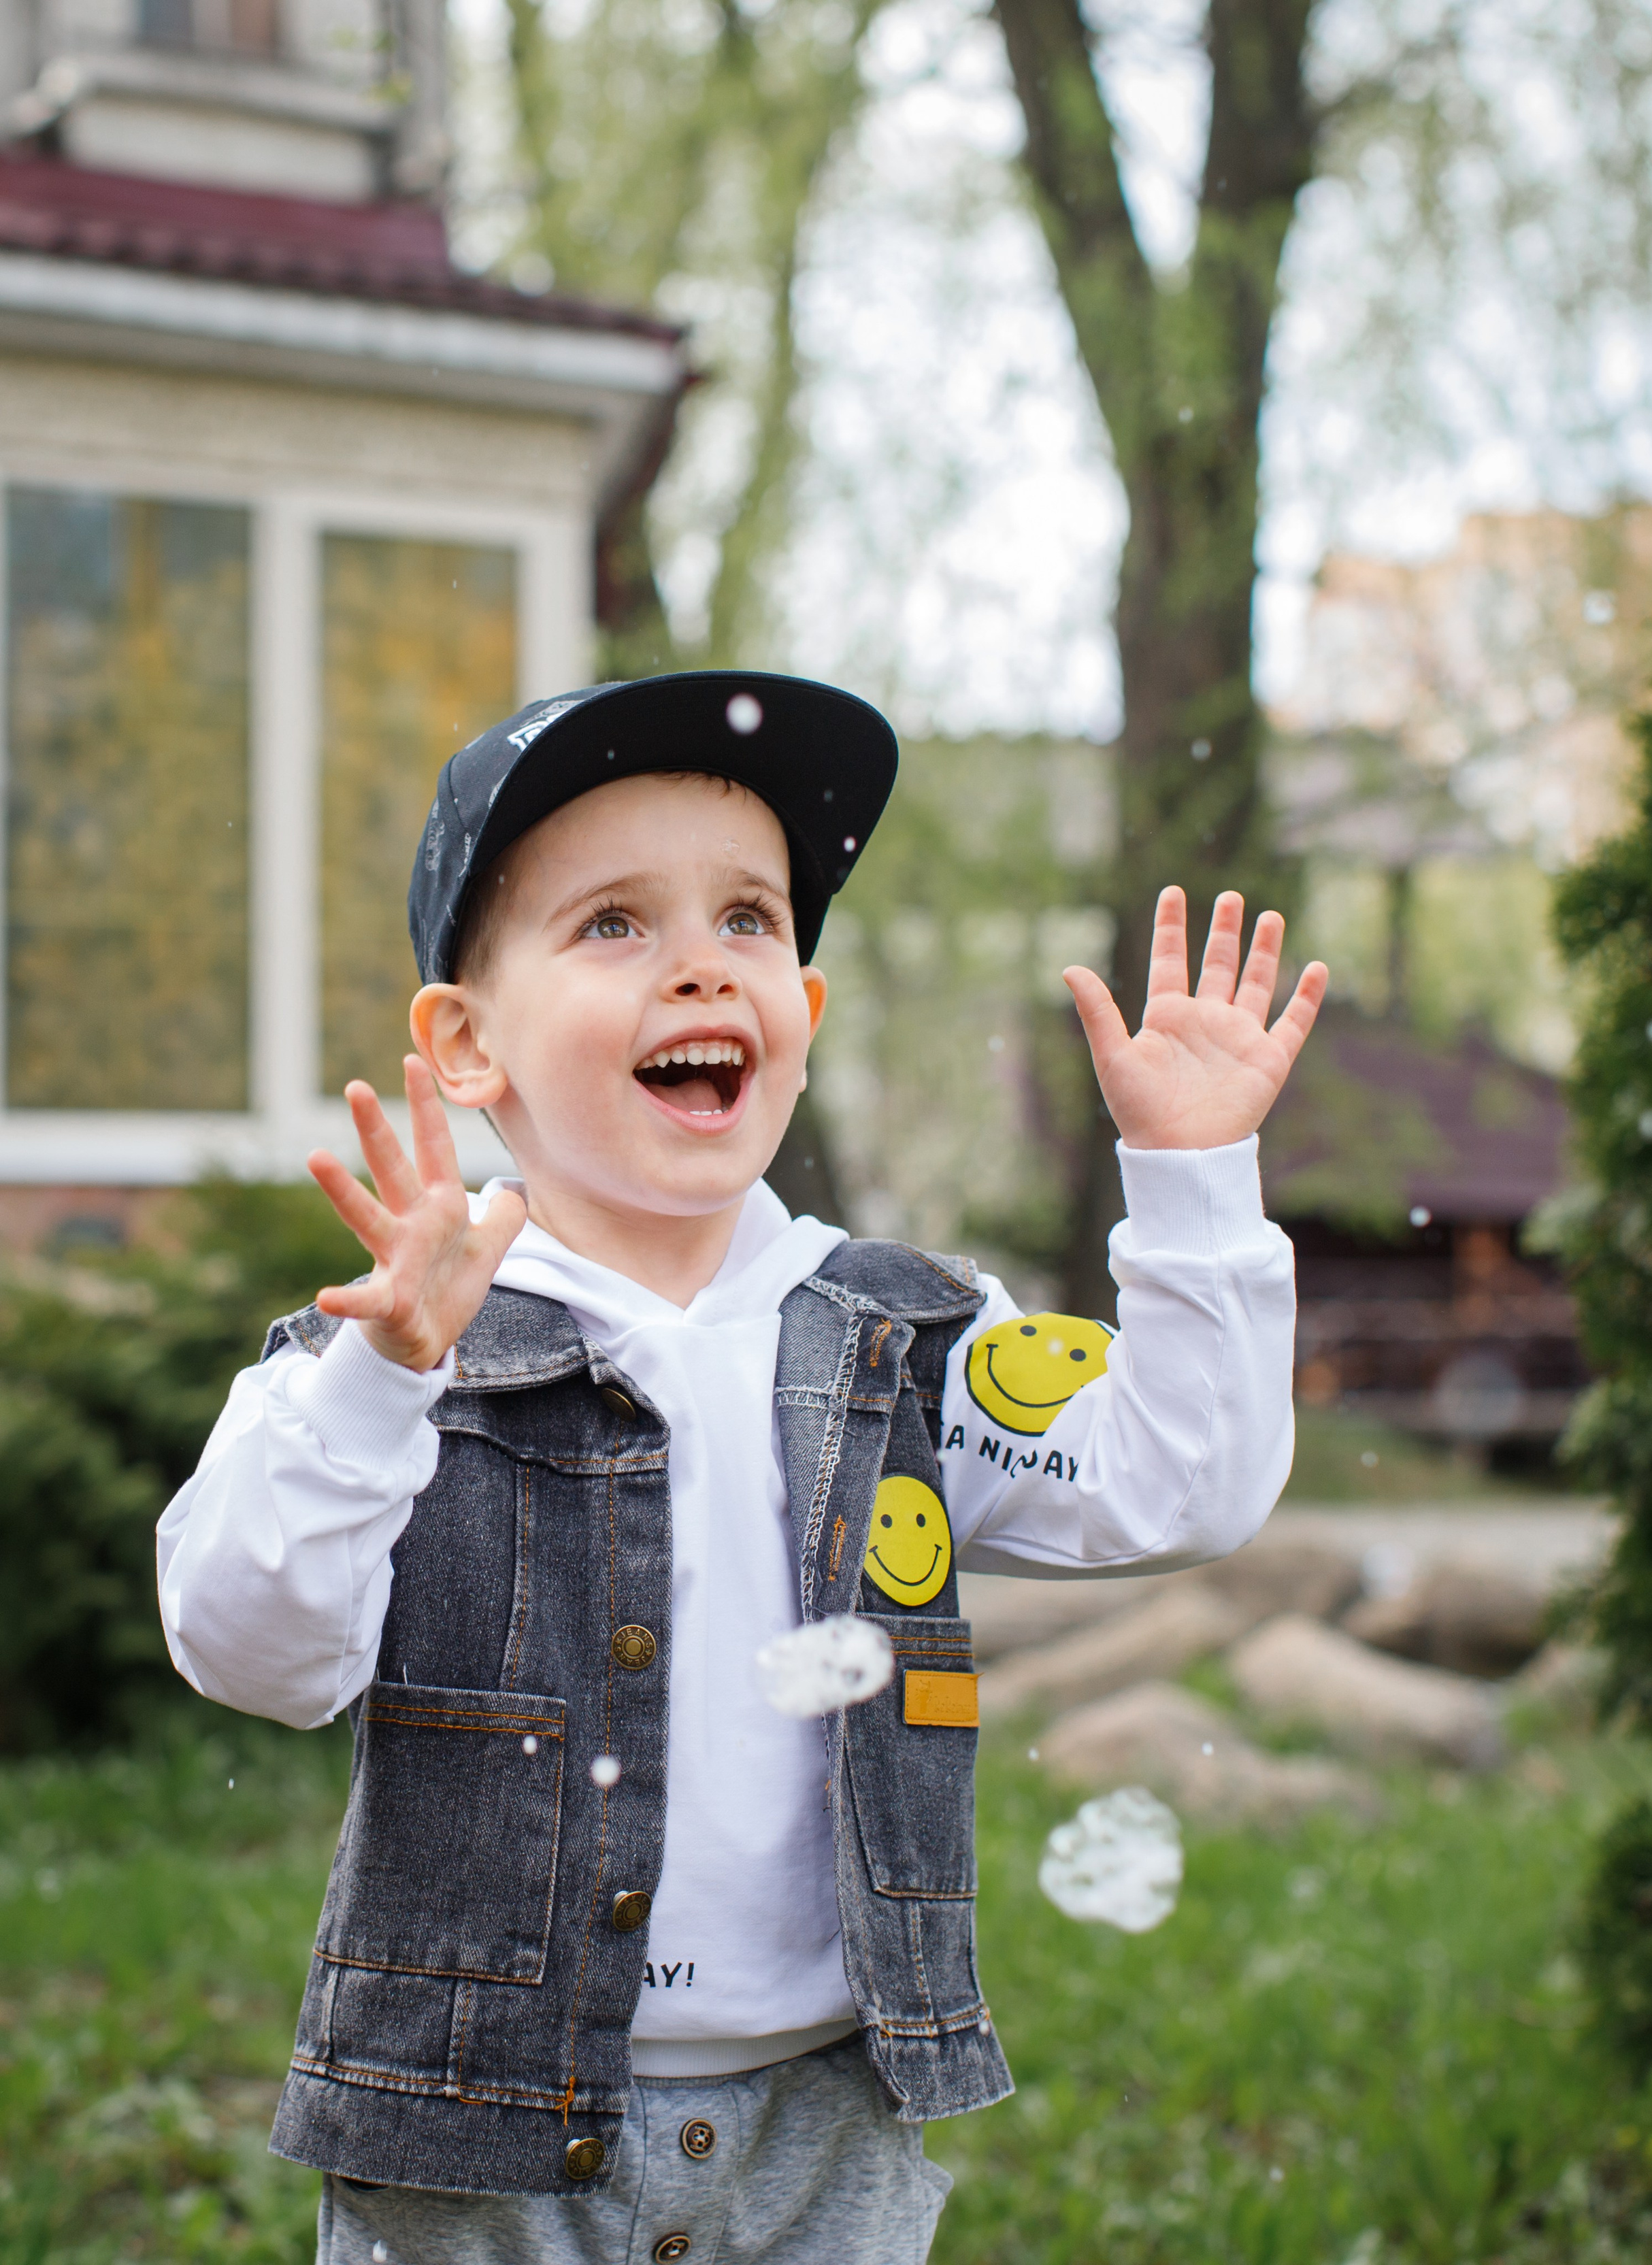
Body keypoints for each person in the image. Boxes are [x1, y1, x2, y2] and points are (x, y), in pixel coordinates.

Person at [156, 670, 1327, 2265]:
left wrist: (1191, 1186)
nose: (701, 963)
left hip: (825, 2128)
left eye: (750, 922)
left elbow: (1177, 1482)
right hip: (477, 2135)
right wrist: (381, 1380)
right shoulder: (394, 1350)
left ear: (805, 1016)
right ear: (465, 1045)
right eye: (613, 925)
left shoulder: (899, 1335)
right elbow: (251, 1649)